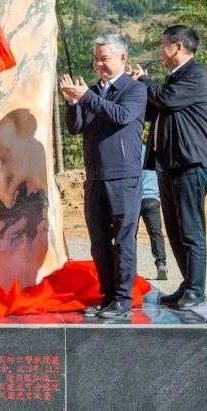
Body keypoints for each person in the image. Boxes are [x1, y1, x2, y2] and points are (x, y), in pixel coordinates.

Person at [60, 33, 147, 320]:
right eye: (96, 58)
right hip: (95, 176)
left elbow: (120, 115)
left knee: (123, 238)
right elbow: (76, 127)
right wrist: (73, 103)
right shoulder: (94, 91)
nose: (99, 64)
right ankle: (108, 295)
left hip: (123, 177)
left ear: (122, 58)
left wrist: (87, 97)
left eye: (105, 58)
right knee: (98, 240)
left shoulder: (134, 90)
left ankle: (123, 298)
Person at [130, 25, 207, 310]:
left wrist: (144, 80)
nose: (160, 51)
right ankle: (187, 284)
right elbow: (154, 107)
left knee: (191, 230)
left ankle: (197, 289)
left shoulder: (195, 76)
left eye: (163, 45)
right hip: (168, 164)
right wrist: (138, 87)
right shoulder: (173, 78)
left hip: (189, 164)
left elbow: (165, 99)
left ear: (177, 46)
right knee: (175, 232)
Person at [139, 145, 168, 280]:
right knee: (156, 232)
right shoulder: (151, 153)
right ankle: (161, 263)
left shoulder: (129, 152)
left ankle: (129, 267)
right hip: (152, 199)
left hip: (134, 199)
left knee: (129, 234)